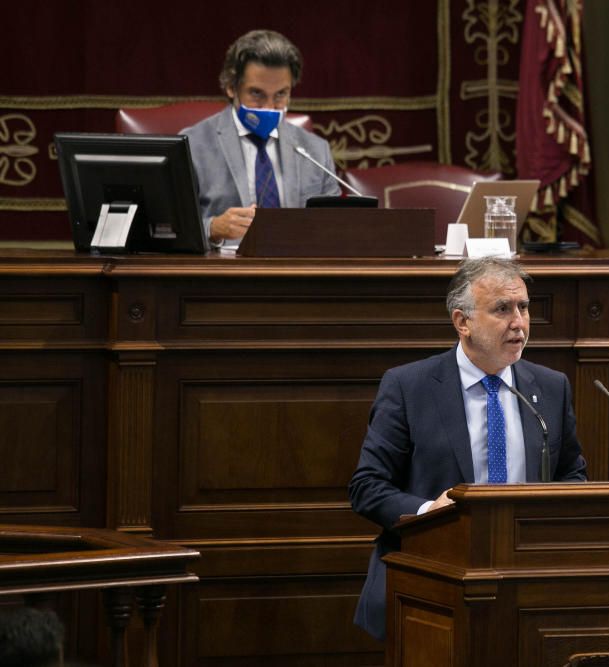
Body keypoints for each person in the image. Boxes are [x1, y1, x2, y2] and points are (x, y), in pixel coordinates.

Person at [349, 257, 588, 641]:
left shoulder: (550, 387)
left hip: (527, 578)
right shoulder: (409, 387)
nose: (519, 323)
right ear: (463, 322)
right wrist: (430, 513)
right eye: (502, 309)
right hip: (431, 575)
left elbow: (571, 474)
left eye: (524, 307)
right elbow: (367, 487)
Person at [182, 29, 340, 249]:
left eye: (280, 95)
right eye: (257, 94)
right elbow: (169, 230)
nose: (268, 107)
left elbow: (336, 228)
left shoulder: (316, 150)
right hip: (223, 275)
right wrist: (212, 228)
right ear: (231, 87)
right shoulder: (192, 144)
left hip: (298, 273)